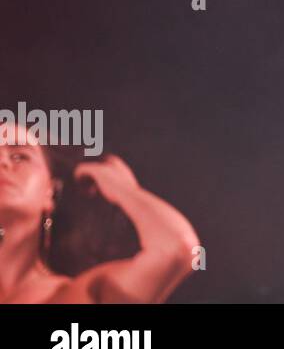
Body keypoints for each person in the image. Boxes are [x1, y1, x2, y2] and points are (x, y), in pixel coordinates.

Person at [0, 122, 200, 303]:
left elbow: (176, 248)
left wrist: (119, 186)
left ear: (50, 193)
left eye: (20, 156)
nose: (3, 163)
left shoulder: (83, 295)